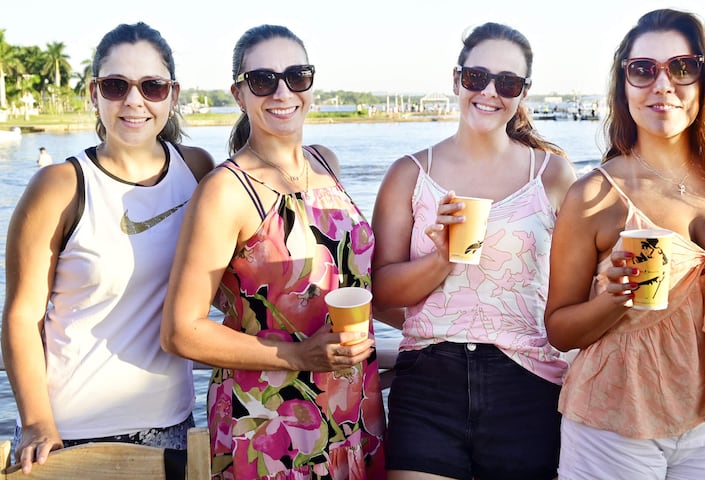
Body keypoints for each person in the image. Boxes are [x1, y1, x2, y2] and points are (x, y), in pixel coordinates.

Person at [544, 9, 705, 480]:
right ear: (624, 84)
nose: (662, 85)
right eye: (643, 69)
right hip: (616, 420)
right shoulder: (593, 194)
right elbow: (560, 330)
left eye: (682, 68)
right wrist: (614, 299)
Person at [160, 24, 386, 479]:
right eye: (263, 80)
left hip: (351, 404)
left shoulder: (325, 162)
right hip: (268, 420)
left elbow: (354, 279)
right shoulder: (225, 192)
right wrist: (301, 356)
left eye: (296, 76)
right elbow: (181, 331)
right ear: (239, 94)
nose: (282, 91)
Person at [0, 22, 215, 474]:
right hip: (68, 431)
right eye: (117, 86)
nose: (134, 101)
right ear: (94, 92)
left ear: (172, 95)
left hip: (171, 425)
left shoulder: (196, 171)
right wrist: (38, 422)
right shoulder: (58, 186)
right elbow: (22, 316)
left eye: (152, 86)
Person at [371, 22, 576, 480]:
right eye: (475, 77)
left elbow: (572, 292)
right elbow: (381, 291)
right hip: (428, 382)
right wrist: (441, 258)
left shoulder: (554, 174)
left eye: (507, 82)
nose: (489, 91)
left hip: (529, 382)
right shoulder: (408, 173)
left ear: (523, 92)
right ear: (456, 79)